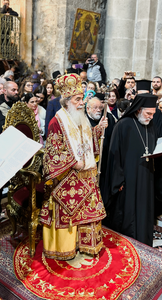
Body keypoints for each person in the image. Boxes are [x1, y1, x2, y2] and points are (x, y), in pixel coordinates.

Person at [39, 73, 108, 260]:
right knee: (69, 208)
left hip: (85, 172)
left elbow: (83, 141)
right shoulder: (57, 121)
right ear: (67, 101)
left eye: (82, 98)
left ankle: (84, 245)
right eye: (78, 99)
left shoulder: (81, 116)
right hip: (66, 176)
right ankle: (64, 247)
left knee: (91, 206)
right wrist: (72, 162)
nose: (81, 103)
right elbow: (52, 152)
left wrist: (98, 130)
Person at [104, 93, 158, 246]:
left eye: (153, 114)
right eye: (148, 113)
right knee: (129, 212)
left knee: (144, 208)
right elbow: (114, 154)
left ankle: (144, 239)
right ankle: (129, 241)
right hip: (128, 178)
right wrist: (118, 180)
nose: (150, 117)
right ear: (138, 109)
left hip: (146, 175)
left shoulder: (151, 125)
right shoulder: (123, 125)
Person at [0, 81, 19, 226]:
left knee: (17, 183)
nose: (16, 92)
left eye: (17, 90)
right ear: (5, 91)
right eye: (13, 90)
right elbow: (2, 127)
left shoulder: (17, 106)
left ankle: (16, 213)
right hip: (1, 151)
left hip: (15, 149)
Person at [86, 97, 116, 215]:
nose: (98, 110)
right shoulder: (83, 120)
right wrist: (98, 129)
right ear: (88, 108)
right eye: (95, 108)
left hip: (105, 160)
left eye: (100, 107)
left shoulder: (108, 118)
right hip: (90, 162)